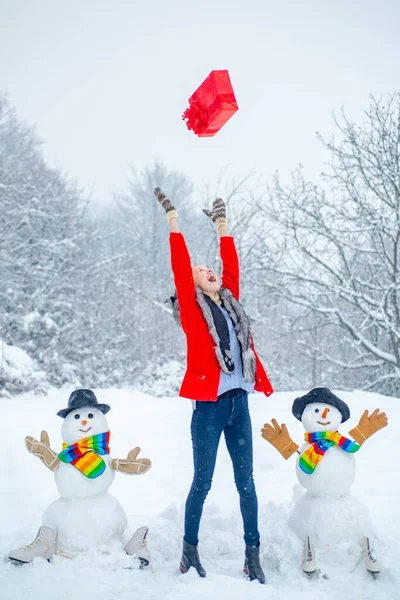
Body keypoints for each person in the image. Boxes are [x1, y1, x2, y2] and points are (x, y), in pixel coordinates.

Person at [154, 188, 273, 584]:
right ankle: (189, 551)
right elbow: (180, 263)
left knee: (247, 483)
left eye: (211, 267)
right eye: (201, 268)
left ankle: (252, 555)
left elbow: (232, 265)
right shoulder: (191, 310)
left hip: (239, 403)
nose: (210, 270)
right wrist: (173, 220)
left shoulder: (230, 303)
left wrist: (223, 226)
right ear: (192, 281)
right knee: (201, 483)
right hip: (209, 409)